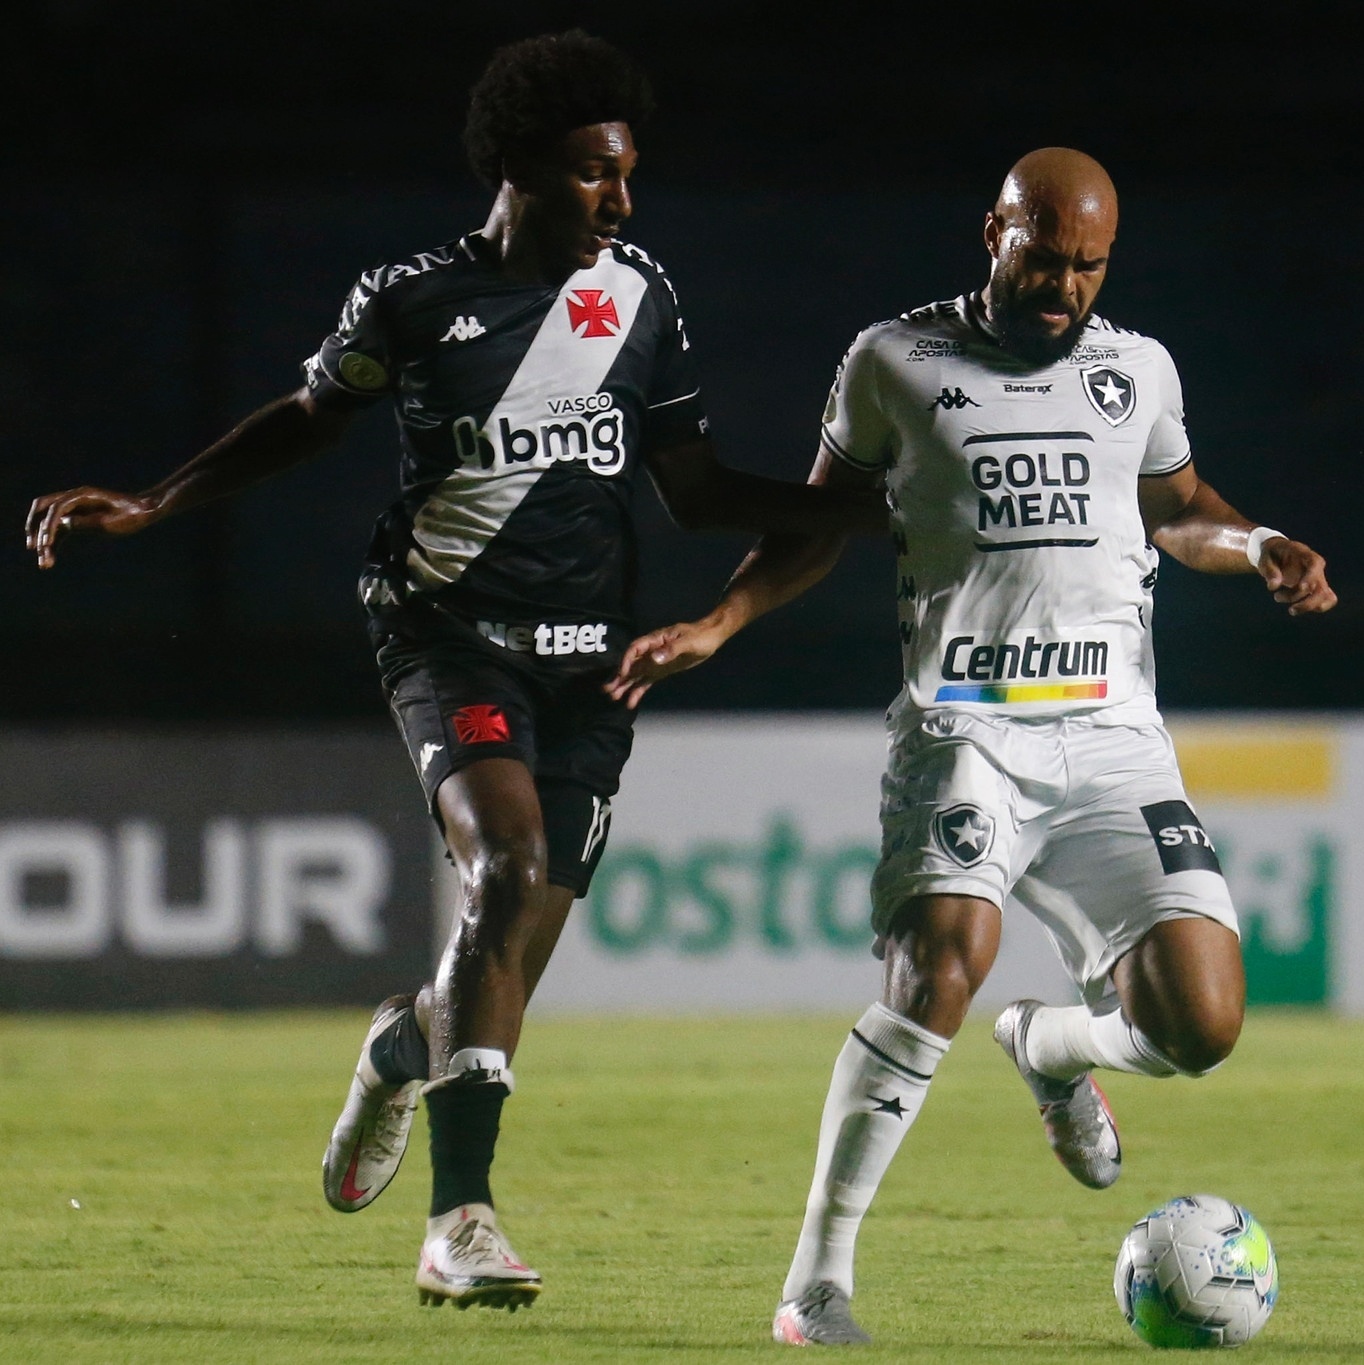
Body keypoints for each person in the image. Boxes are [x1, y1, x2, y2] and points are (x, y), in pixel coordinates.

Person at [25, 30, 882, 1313]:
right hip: (445, 633)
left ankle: (393, 1049)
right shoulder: (414, 298)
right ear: (518, 167)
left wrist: (884, 509)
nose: (621, 200)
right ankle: (459, 1224)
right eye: (596, 173)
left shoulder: (636, 297)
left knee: (499, 970)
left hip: (592, 663)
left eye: (628, 173)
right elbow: (309, 418)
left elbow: (695, 493)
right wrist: (154, 503)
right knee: (506, 866)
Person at [606, 147, 1337, 1346]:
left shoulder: (1135, 371)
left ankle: (1046, 1045)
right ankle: (816, 1284)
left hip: (1112, 743)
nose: (1063, 288)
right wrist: (718, 624)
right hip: (964, 730)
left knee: (1200, 1026)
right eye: (1042, 259)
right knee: (941, 960)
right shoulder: (892, 362)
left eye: (1086, 267)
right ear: (990, 232)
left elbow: (1178, 511)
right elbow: (817, 522)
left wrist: (1254, 544)